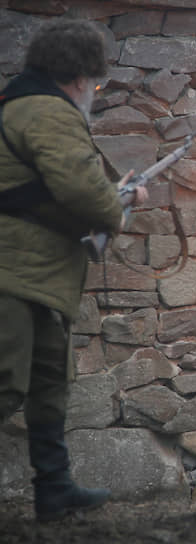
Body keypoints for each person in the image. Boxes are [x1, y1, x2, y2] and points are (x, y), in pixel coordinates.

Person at [0, 20, 147, 522]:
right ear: (81, 76)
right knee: (5, 382)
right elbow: (84, 192)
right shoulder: (47, 111)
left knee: (46, 385)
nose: (94, 92)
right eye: (96, 83)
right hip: (12, 273)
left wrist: (113, 197)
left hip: (36, 276)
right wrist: (119, 203)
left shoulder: (24, 106)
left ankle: (55, 488)